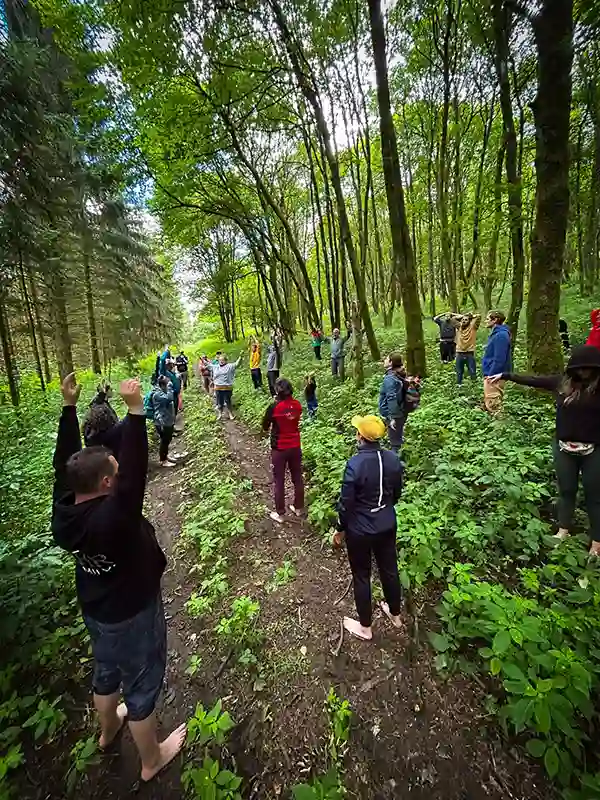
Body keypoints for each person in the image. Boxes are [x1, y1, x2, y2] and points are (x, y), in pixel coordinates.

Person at [51, 373, 185, 782]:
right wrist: (137, 412)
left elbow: (64, 464)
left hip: (96, 609)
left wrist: (69, 408)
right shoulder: (114, 518)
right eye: (115, 468)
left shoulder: (65, 511)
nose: (119, 467)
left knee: (106, 673)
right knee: (142, 685)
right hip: (132, 611)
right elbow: (134, 478)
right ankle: (151, 759)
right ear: (108, 482)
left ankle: (108, 731)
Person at [488, 344, 600, 556]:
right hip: (564, 448)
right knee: (566, 491)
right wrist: (505, 375)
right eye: (580, 368)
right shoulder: (562, 383)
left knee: (595, 496)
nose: (584, 372)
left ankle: (596, 544)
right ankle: (563, 530)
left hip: (594, 450)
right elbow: (533, 380)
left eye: (589, 368)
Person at [334, 415, 404, 641]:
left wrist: (339, 528)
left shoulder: (355, 464)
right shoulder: (392, 459)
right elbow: (397, 494)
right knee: (389, 569)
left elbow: (346, 503)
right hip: (387, 524)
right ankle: (396, 615)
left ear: (360, 437)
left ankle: (365, 627)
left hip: (360, 530)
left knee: (362, 575)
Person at [262, 378, 304, 523]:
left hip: (279, 448)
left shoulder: (274, 407)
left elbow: (265, 426)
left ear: (277, 391)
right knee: (297, 477)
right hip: (295, 446)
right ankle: (298, 508)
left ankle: (280, 514)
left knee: (279, 480)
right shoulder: (297, 405)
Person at [481, 311, 512, 415]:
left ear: (495, 320)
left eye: (488, 319)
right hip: (492, 373)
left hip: (495, 375)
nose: (485, 321)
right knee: (490, 402)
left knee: (493, 404)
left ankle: (501, 426)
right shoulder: (496, 334)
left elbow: (500, 358)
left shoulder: (501, 335)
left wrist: (491, 375)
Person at [82, 383, 123, 458]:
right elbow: (105, 428)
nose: (112, 391)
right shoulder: (100, 408)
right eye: (111, 390)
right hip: (101, 445)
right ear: (106, 392)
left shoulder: (102, 404)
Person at [379, 353, 407, 455]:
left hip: (394, 414)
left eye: (386, 359)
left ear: (391, 362)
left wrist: (392, 418)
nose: (384, 360)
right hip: (401, 411)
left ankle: (397, 465)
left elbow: (391, 398)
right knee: (397, 438)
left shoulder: (390, 378)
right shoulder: (399, 374)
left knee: (395, 443)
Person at [449, 312, 481, 386]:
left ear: (469, 321)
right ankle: (459, 386)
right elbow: (452, 319)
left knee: (472, 371)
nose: (463, 321)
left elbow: (478, 316)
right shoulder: (459, 326)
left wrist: (470, 316)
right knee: (459, 371)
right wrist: (462, 316)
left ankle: (474, 386)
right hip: (459, 353)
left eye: (466, 320)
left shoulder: (473, 327)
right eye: (462, 319)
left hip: (469, 352)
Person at [151, 376, 176, 468]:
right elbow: (169, 398)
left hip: (167, 420)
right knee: (165, 440)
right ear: (163, 384)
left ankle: (165, 456)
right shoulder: (157, 394)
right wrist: (170, 387)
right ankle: (163, 460)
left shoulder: (162, 390)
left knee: (167, 439)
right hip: (162, 421)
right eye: (167, 381)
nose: (169, 382)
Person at [212, 352, 243, 420]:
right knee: (219, 402)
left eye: (223, 360)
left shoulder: (230, 366)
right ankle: (220, 414)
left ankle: (230, 414)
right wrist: (203, 360)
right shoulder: (216, 367)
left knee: (228, 401)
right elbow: (208, 365)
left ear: (226, 360)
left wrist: (240, 356)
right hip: (218, 387)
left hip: (227, 387)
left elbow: (237, 364)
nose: (221, 361)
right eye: (220, 360)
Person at [266, 333, 282, 397]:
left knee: (274, 384)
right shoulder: (271, 349)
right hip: (270, 369)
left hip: (274, 369)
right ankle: (274, 396)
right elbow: (268, 347)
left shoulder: (277, 350)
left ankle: (278, 395)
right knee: (270, 385)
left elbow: (276, 344)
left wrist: (274, 336)